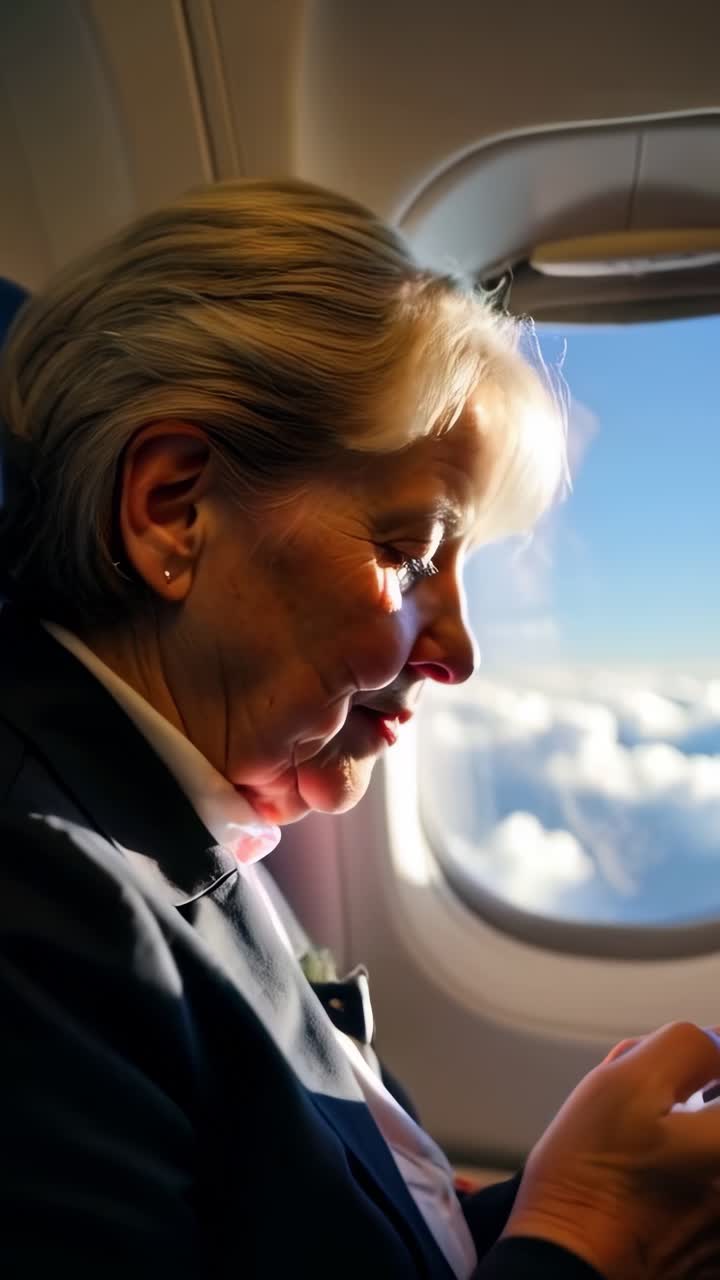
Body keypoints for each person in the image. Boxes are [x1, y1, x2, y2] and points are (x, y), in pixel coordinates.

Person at [0, 178, 719, 1280]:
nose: (459, 652)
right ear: (173, 507)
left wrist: (590, 1188)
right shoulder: (41, 901)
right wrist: (583, 1235)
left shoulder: (189, 825)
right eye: (413, 552)